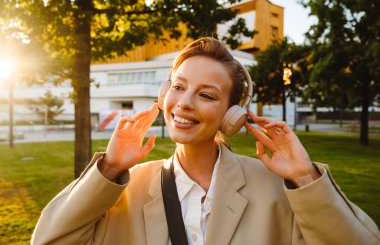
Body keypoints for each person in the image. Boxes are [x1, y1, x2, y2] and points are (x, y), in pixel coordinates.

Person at [32, 37, 380, 245]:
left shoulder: (278, 191)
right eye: (179, 87)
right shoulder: (124, 188)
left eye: (207, 95)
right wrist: (108, 169)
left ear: (232, 115)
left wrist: (305, 177)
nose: (184, 102)